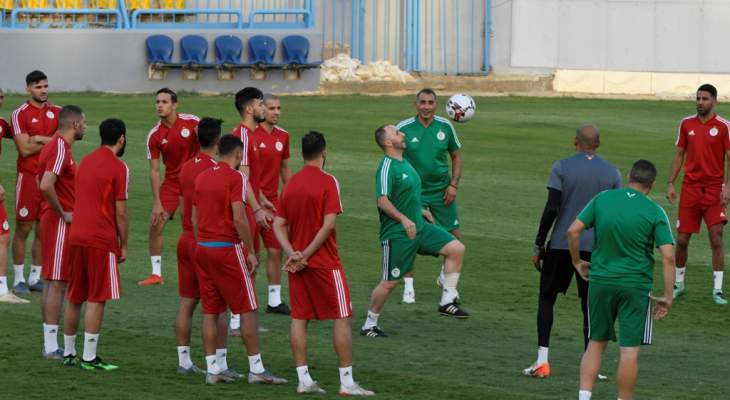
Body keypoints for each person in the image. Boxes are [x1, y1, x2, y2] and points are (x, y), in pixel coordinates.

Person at [273, 131, 374, 396]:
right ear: (324, 152)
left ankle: (303, 379)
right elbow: (328, 224)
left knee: (299, 318)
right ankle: (347, 383)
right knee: (342, 316)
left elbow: (278, 223)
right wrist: (305, 254)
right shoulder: (329, 182)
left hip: (297, 265)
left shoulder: (291, 184)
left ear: (302, 153)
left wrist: (292, 253)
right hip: (325, 263)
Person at [568, 159, 675, 400]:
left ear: (630, 176)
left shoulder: (603, 199)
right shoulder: (655, 212)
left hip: (601, 281)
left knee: (595, 342)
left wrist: (577, 261)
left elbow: (573, 231)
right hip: (636, 287)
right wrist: (667, 296)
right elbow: (668, 257)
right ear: (652, 184)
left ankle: (584, 397)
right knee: (629, 352)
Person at [523, 124, 622, 378]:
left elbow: (551, 208)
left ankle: (542, 361)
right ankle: (592, 365)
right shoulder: (612, 173)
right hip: (596, 249)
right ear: (598, 144)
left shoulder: (561, 167)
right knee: (591, 305)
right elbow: (615, 217)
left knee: (547, 297)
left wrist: (538, 243)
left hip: (561, 244)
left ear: (574, 141)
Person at [192, 134, 285, 385]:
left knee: (211, 311)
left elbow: (194, 216)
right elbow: (238, 217)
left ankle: (214, 369)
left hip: (202, 247)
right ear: (237, 155)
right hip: (226, 248)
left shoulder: (201, 177)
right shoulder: (236, 178)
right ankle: (256, 370)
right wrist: (251, 251)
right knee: (247, 308)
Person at [361, 125, 468, 338]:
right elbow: (382, 200)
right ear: (388, 142)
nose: (403, 134)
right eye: (397, 133)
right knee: (390, 282)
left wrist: (419, 211)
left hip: (420, 227)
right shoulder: (386, 167)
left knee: (456, 249)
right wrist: (403, 219)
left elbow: (406, 196)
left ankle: (447, 301)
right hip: (398, 233)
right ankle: (369, 324)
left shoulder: (405, 163)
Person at [62, 118, 129, 370]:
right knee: (97, 297)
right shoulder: (118, 167)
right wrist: (124, 243)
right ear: (121, 138)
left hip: (76, 235)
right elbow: (120, 212)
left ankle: (68, 353)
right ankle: (89, 357)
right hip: (100, 238)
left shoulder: (85, 160)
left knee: (75, 295)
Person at [174, 117, 234, 376]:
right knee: (218, 306)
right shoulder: (216, 171)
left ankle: (184, 361)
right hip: (207, 240)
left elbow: (180, 203)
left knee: (187, 303)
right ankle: (219, 364)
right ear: (219, 141)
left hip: (185, 238)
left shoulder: (186, 167)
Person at [395, 88, 463, 303]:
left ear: (436, 104)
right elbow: (396, 158)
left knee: (454, 234)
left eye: (430, 102)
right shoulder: (404, 129)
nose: (426, 107)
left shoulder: (445, 126)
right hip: (415, 193)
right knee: (411, 236)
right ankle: (408, 287)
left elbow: (456, 156)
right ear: (416, 104)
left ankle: (446, 279)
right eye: (422, 102)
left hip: (442, 190)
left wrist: (453, 185)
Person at [667, 83, 730, 305]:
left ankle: (717, 290)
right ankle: (679, 284)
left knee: (717, 238)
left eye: (704, 99)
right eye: (698, 98)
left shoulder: (724, 126)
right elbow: (679, 155)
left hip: (714, 190)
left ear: (714, 101)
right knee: (682, 239)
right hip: (690, 189)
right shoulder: (686, 124)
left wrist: (727, 186)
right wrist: (671, 183)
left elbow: (729, 158)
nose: (700, 102)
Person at [37, 105, 86, 359]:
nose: (85, 127)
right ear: (75, 125)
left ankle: (48, 342)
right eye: (84, 123)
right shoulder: (59, 147)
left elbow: (40, 181)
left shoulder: (55, 146)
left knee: (51, 282)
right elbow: (46, 185)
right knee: (57, 283)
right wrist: (62, 212)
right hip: (58, 222)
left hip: (52, 220)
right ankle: (50, 346)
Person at [139, 88, 200, 286]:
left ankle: (201, 268)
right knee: (156, 224)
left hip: (197, 181)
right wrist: (157, 201)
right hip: (173, 184)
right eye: (157, 102)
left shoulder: (192, 122)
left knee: (195, 226)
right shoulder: (155, 135)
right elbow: (155, 171)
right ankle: (156, 274)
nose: (159, 105)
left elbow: (210, 144)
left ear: (175, 105)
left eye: (164, 102)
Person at [10, 70, 60, 295]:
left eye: (46, 86)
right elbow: (23, 149)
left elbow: (64, 143)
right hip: (28, 178)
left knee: (44, 229)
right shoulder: (19, 113)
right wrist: (52, 141)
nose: (44, 91)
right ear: (28, 89)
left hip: (50, 178)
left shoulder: (58, 112)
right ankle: (18, 278)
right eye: (39, 87)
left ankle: (35, 277)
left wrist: (38, 138)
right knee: (24, 227)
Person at [229, 87, 274, 334]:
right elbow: (241, 179)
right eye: (260, 104)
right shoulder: (244, 136)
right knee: (247, 261)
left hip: (250, 205)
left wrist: (263, 199)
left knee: (251, 261)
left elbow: (249, 179)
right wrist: (257, 209)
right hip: (244, 209)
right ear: (249, 109)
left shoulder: (251, 135)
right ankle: (237, 320)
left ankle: (243, 317)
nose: (264, 109)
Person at [254, 93, 292, 315]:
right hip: (249, 203)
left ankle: (275, 301)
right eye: (271, 108)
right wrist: (257, 196)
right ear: (261, 109)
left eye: (279, 108)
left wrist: (292, 194)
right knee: (253, 256)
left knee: (275, 251)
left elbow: (285, 168)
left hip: (274, 205)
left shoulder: (283, 136)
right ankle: (242, 301)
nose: (276, 112)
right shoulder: (248, 135)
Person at [0, 88, 29, 304]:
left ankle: (2, 288)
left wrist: (36, 135)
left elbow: (20, 136)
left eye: (1, 97)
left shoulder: (2, 125)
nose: (0, 101)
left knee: (3, 236)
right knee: (3, 236)